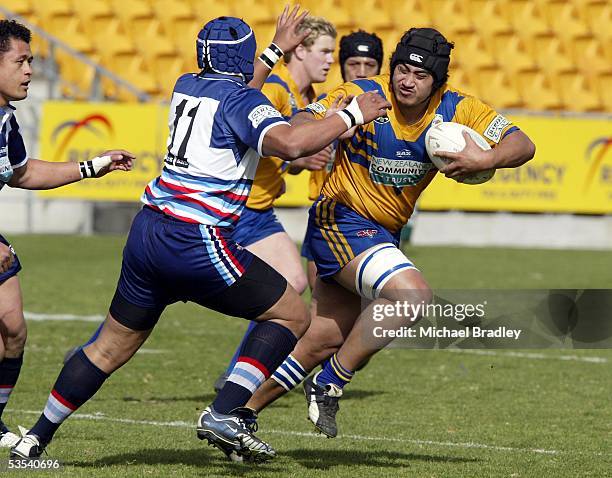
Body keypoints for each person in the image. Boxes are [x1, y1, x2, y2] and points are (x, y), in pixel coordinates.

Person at [10, 15, 391, 462]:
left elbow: (239, 89)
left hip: (148, 232)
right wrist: (351, 113)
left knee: (109, 346)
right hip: (195, 240)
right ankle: (226, 411)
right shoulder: (242, 100)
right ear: (244, 57)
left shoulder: (187, 83)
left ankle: (34, 440)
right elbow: (289, 143)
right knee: (291, 315)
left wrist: (274, 50)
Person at [242, 27, 536, 439]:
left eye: (419, 75)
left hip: (381, 235)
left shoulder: (458, 109)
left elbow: (523, 144)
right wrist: (335, 122)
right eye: (401, 69)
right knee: (412, 295)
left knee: (322, 340)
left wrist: (486, 156)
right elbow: (299, 121)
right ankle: (329, 384)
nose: (406, 80)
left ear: (437, 82)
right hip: (338, 220)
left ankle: (237, 412)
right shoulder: (365, 92)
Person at [0, 20, 134, 448]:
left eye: (31, 61)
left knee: (13, 329)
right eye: (20, 61)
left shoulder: (5, 118)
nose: (29, 71)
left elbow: (23, 173)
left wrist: (95, 165)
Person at [213, 16, 338, 392]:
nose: (331, 60)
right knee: (288, 287)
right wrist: (295, 159)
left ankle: (241, 373)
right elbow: (250, 136)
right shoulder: (277, 89)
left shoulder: (308, 99)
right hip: (238, 208)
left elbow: (288, 157)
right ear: (298, 50)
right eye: (324, 51)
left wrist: (299, 163)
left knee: (292, 284)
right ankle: (243, 373)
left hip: (261, 210)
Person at [301, 29, 384, 290]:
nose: (361, 71)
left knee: (369, 300)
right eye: (353, 64)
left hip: (372, 217)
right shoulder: (326, 106)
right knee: (320, 300)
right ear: (342, 67)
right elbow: (294, 151)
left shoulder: (390, 114)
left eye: (369, 65)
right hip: (326, 214)